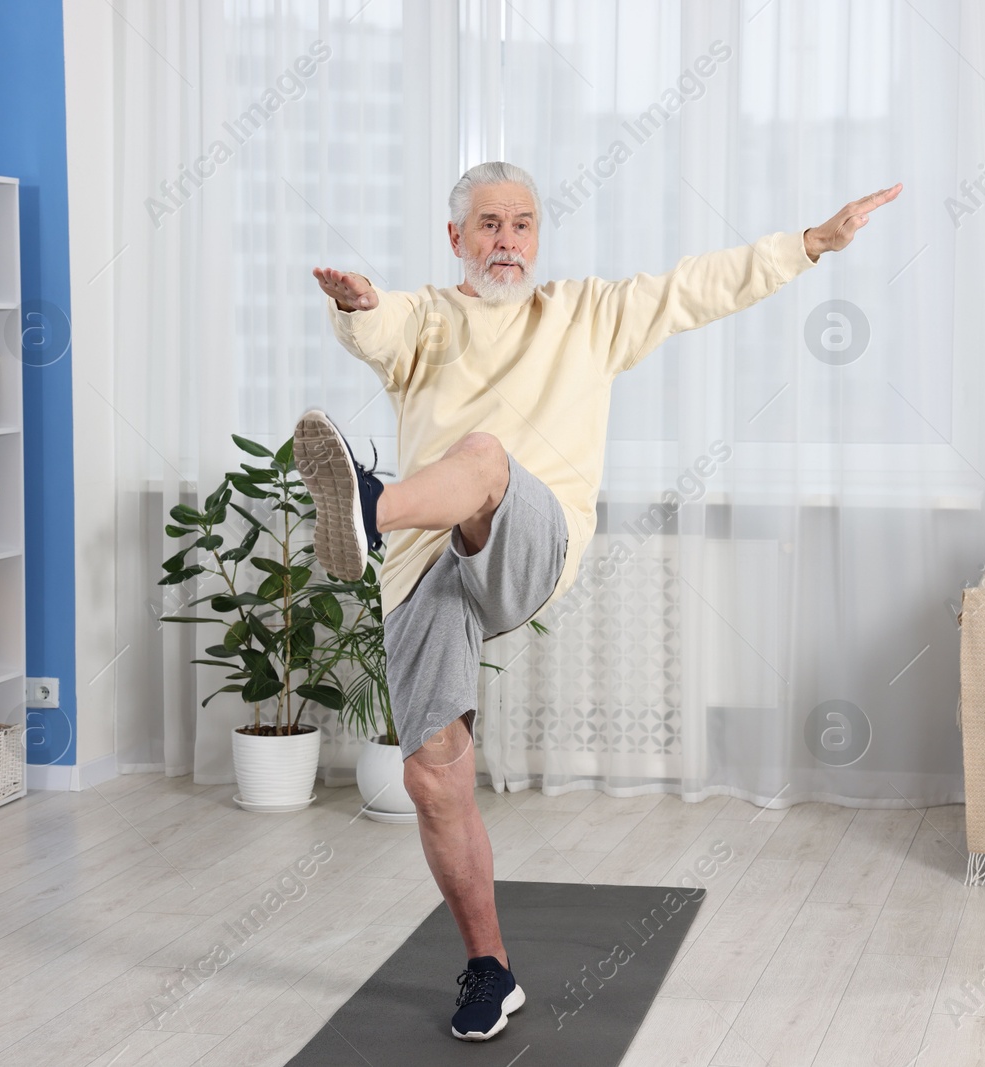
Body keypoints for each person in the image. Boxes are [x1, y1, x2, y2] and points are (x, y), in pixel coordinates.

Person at [295, 161, 899, 1041]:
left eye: (523, 223)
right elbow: (379, 329)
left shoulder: (586, 314)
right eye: (490, 223)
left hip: (533, 536)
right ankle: (489, 969)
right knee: (434, 774)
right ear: (456, 237)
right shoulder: (427, 315)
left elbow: (699, 287)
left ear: (540, 236)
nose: (508, 239)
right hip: (427, 566)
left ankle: (368, 506)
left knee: (485, 455)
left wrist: (812, 243)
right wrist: (357, 303)